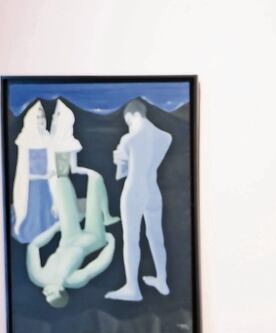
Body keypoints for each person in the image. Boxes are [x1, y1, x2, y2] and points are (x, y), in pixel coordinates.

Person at [27, 100, 118, 307]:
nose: (45, 293)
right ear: (59, 292)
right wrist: (111, 243)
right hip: (93, 238)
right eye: (50, 296)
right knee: (94, 181)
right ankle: (103, 213)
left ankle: (62, 143)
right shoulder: (72, 281)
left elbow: (33, 247)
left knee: (60, 182)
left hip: (68, 236)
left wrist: (55, 227)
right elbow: (96, 266)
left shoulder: (39, 277)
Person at [105, 99, 173, 301]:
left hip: (134, 189)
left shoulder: (129, 138)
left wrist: (118, 156)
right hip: (152, 189)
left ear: (134, 115)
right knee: (156, 236)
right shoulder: (165, 137)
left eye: (129, 121)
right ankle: (162, 280)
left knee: (131, 239)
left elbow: (121, 172)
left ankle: (132, 288)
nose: (129, 125)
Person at [11, 101, 56, 244]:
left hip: (46, 187)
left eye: (42, 117)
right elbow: (23, 170)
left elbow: (53, 164)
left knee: (47, 216)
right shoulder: (25, 141)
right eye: (37, 117)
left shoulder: (49, 139)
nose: (40, 120)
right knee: (33, 215)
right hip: (31, 187)